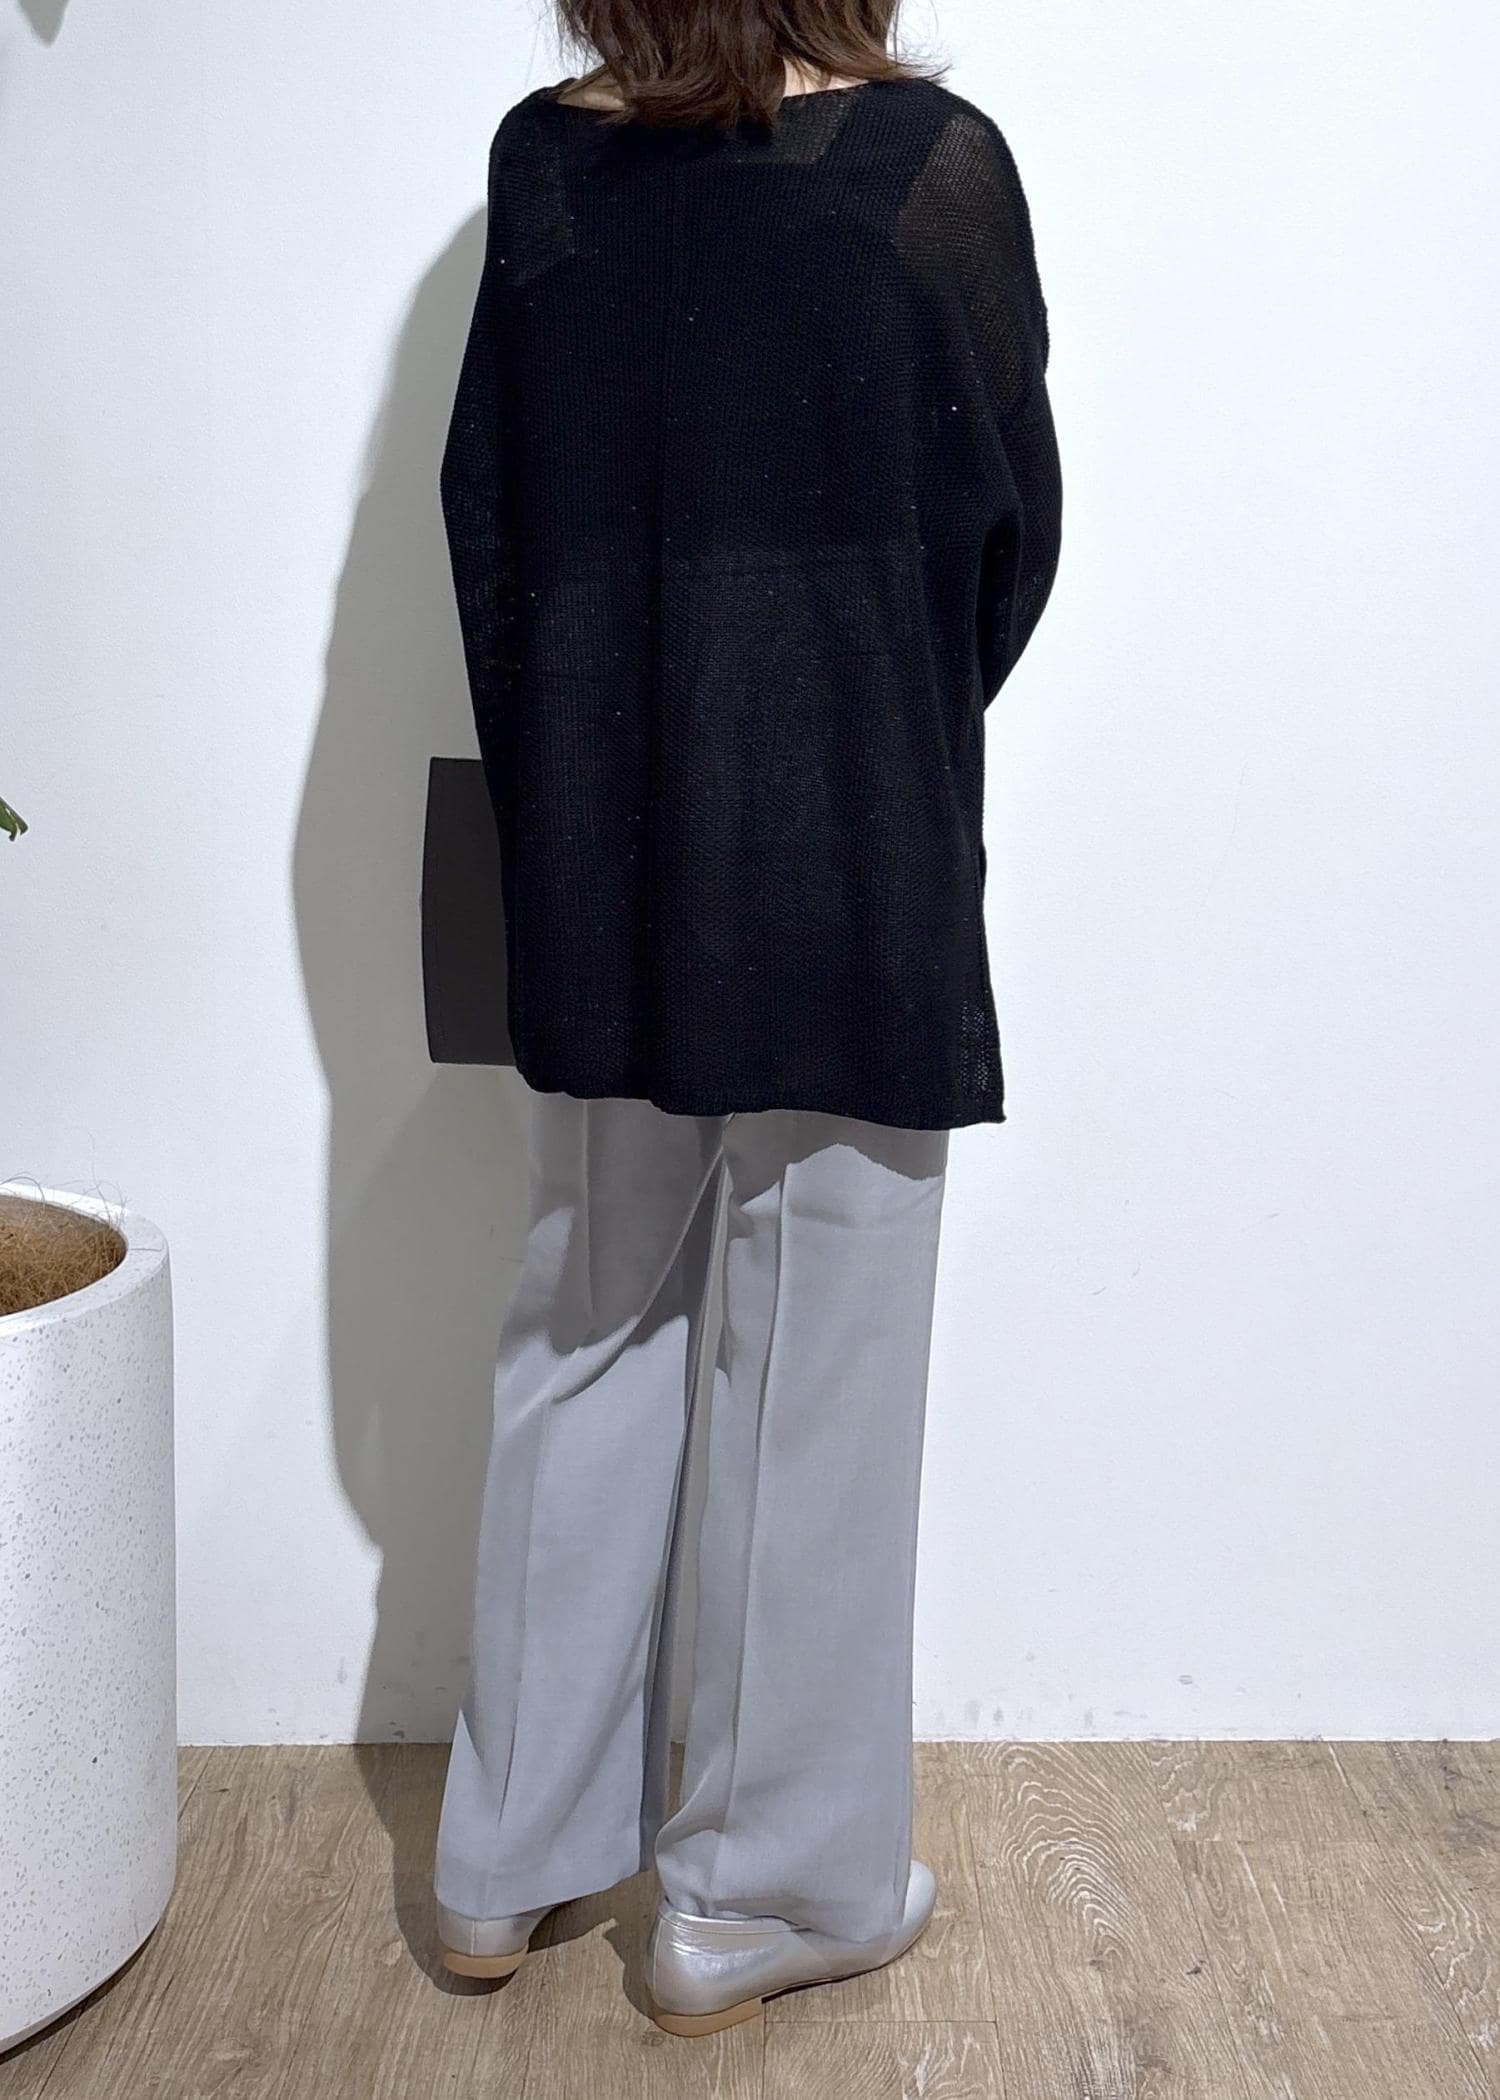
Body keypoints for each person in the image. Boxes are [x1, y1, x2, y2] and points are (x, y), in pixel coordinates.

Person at [431, 0, 1062, 2038]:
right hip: (844, 828)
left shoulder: (544, 165)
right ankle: (758, 1896)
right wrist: (838, 706)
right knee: (821, 1366)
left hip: (599, 834)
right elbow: (1010, 535)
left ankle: (504, 1860)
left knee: (584, 1313)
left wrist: (592, 752)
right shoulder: (932, 172)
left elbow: (486, 522)